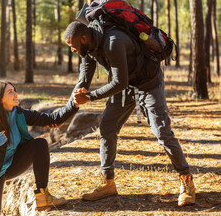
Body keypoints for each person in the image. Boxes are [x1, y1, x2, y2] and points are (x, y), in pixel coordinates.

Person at [64, 21, 195, 206]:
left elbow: (119, 83)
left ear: (83, 38)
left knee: (162, 132)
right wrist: (68, 108)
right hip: (126, 85)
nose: (72, 50)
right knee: (107, 128)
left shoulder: (113, 42)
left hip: (148, 82)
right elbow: (84, 80)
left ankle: (187, 180)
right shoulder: (88, 49)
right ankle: (108, 182)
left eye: (72, 45)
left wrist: (90, 97)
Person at [0, 80, 80, 216]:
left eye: (14, 90)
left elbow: (52, 119)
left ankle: (43, 196)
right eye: (10, 92)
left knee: (39, 145)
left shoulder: (18, 113)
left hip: (10, 165)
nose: (16, 94)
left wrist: (74, 104)